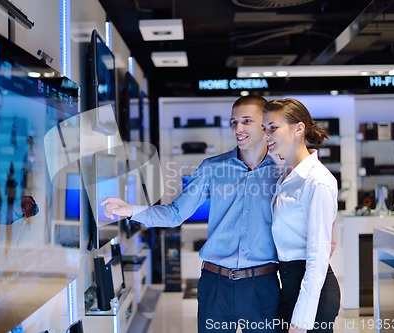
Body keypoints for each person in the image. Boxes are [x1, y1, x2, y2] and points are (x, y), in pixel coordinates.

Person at [102, 95, 283, 333]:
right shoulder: (212, 168)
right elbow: (175, 214)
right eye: (233, 122)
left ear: (265, 123)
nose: (238, 128)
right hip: (215, 286)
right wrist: (130, 210)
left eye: (247, 121)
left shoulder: (281, 171)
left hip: (263, 285)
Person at [261, 98, 341, 333]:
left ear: (299, 128)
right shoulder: (285, 173)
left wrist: (302, 320)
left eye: (273, 128)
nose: (266, 135)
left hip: (312, 291)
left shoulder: (317, 180)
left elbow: (317, 256)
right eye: (265, 129)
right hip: (287, 283)